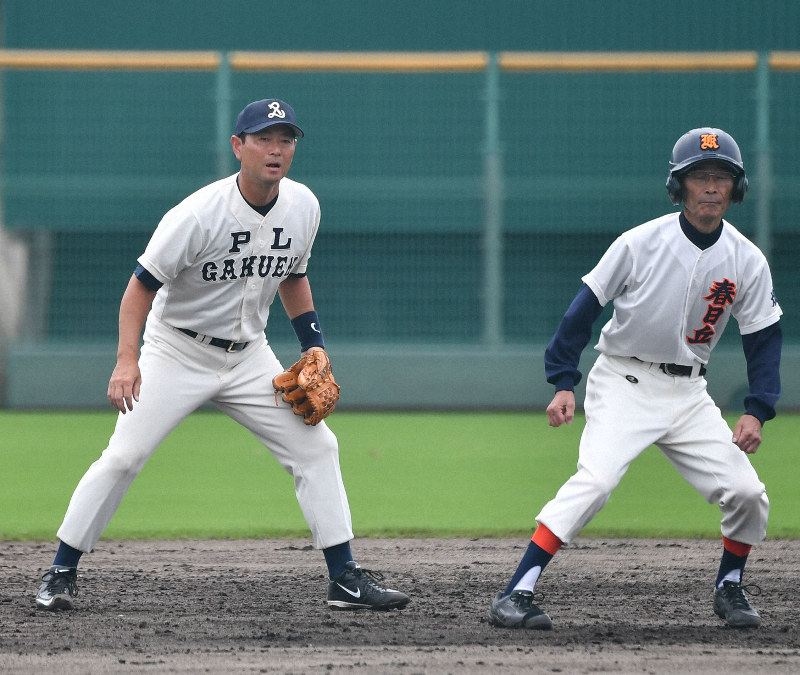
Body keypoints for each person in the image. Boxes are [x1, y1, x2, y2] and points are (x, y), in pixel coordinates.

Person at [35, 98, 410, 613]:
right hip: (176, 350)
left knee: (317, 448)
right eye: (263, 138)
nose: (276, 149)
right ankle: (60, 571)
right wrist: (127, 360)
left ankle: (344, 578)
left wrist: (314, 346)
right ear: (238, 147)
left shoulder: (304, 206)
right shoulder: (195, 215)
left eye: (286, 139)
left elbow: (294, 277)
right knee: (124, 457)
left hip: (249, 357)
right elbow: (139, 289)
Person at [488, 127, 782, 630]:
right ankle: (517, 591)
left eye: (722, 178)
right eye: (700, 177)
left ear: (736, 189)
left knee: (748, 493)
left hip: (690, 392)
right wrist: (563, 380)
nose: (711, 187)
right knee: (597, 481)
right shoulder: (640, 242)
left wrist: (757, 409)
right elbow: (581, 313)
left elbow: (764, 338)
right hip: (624, 380)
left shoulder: (747, 260)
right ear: (679, 186)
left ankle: (729, 585)